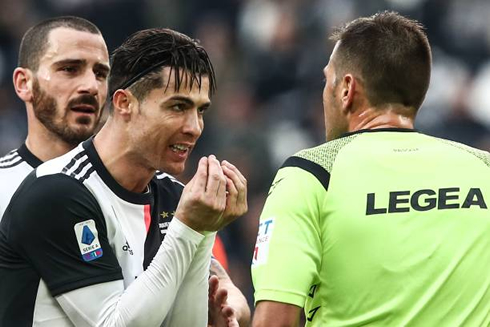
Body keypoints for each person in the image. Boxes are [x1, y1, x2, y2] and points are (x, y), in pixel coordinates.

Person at [251, 11, 490, 326]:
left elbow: (274, 322)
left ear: (347, 90)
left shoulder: (311, 174)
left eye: (327, 81)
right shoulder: (482, 168)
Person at [0, 24, 249, 326]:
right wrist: (191, 228)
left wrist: (205, 230)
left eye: (201, 111)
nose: (194, 127)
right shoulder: (57, 190)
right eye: (178, 106)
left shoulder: (173, 197)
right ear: (124, 103)